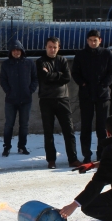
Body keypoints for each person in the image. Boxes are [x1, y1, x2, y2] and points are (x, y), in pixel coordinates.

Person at [72, 30, 112, 162]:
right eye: (91, 40)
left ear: (100, 40)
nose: (93, 42)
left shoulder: (107, 54)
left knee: (102, 127)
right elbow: (75, 72)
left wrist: (105, 84)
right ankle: (86, 154)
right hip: (86, 95)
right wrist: (82, 83)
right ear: (87, 41)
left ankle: (101, 153)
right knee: (86, 126)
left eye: (95, 40)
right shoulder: (81, 55)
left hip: (102, 95)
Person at [36, 37, 81, 169]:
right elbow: (44, 78)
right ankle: (51, 160)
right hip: (46, 100)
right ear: (46, 47)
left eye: (55, 47)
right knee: (48, 131)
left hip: (62, 98)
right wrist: (58, 75)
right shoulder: (40, 61)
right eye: (50, 47)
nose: (52, 49)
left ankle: (73, 159)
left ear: (58, 48)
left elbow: (67, 78)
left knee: (69, 130)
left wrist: (52, 74)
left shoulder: (62, 60)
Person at [0, 40, 38, 157]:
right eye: (14, 50)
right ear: (11, 52)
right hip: (11, 100)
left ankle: (22, 146)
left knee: (24, 125)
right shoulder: (6, 64)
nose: (16, 52)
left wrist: (30, 91)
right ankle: (6, 147)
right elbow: (3, 80)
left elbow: (35, 79)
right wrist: (9, 91)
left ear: (22, 51)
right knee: (9, 124)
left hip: (26, 100)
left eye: (18, 50)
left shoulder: (29, 63)